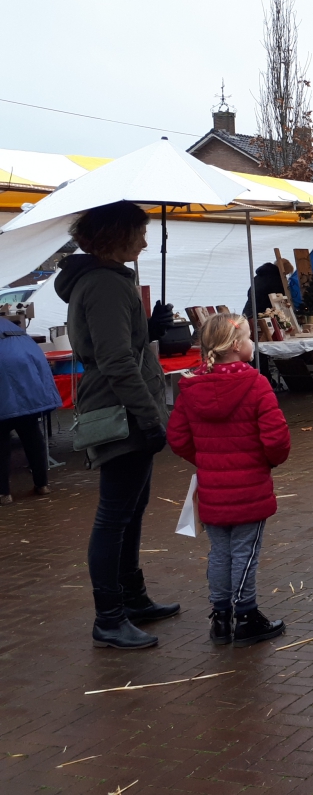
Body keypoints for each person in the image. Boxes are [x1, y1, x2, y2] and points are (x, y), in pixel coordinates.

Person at [54, 200, 179, 650]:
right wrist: (148, 417)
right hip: (119, 411)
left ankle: (131, 598)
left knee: (131, 508)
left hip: (125, 407)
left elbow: (118, 343)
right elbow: (112, 359)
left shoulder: (107, 280)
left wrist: (149, 328)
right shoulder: (104, 284)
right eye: (139, 232)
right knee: (113, 516)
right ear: (117, 235)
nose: (146, 241)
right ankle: (109, 617)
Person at [167, 313, 290, 647]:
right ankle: (246, 615)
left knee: (220, 554)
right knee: (246, 554)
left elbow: (177, 437)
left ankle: (220, 618)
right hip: (249, 488)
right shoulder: (255, 384)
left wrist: (207, 459)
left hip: (213, 489)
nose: (253, 342)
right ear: (237, 346)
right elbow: (276, 438)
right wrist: (267, 461)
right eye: (249, 337)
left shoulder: (191, 387)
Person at [0, 319, 63, 505]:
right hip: (28, 383)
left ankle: (4, 493)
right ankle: (42, 484)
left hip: (4, 385)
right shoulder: (11, 327)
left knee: (1, 439)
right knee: (31, 434)